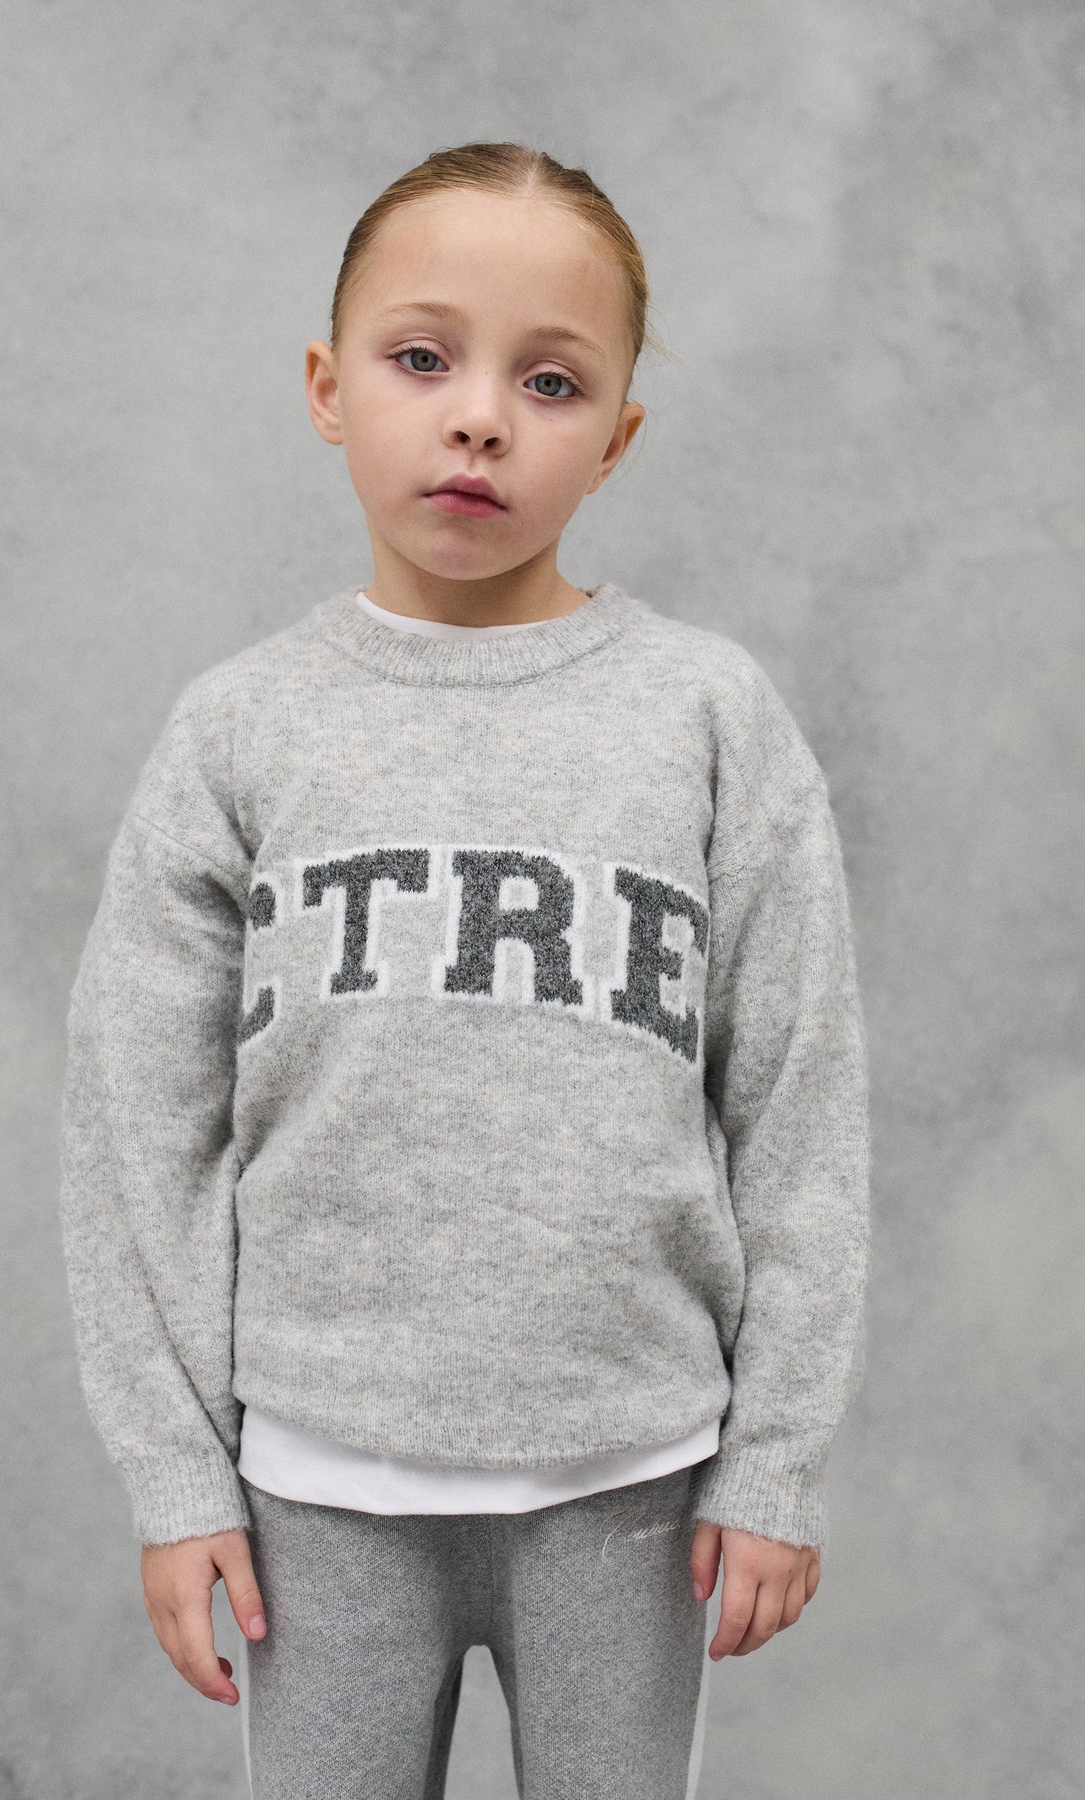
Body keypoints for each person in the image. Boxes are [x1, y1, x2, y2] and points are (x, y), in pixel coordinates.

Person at [59, 140, 872, 1800]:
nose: (481, 417)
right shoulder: (240, 729)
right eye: (422, 358)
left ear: (618, 435)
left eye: (551, 381)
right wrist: (176, 1474)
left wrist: (776, 1460)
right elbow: (136, 1126)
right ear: (328, 386)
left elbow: (801, 1111)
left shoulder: (708, 718)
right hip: (317, 1486)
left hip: (635, 1478)